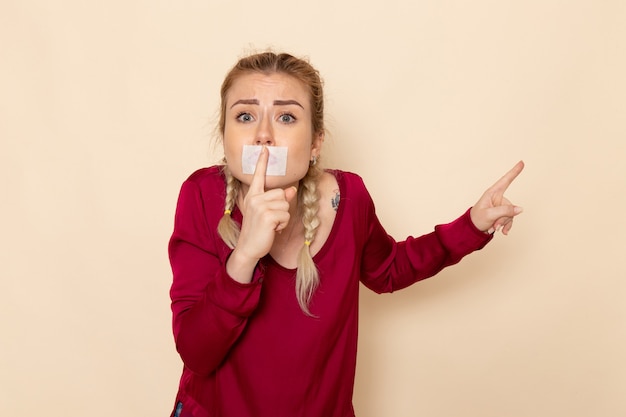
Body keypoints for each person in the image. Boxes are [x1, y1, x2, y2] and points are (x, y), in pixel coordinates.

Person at [168, 51, 524, 417]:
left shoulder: (348, 198)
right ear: (224, 135)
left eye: (286, 117)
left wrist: (472, 225)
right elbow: (197, 353)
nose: (263, 135)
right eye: (245, 116)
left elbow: (389, 269)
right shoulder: (200, 196)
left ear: (316, 143)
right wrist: (243, 256)